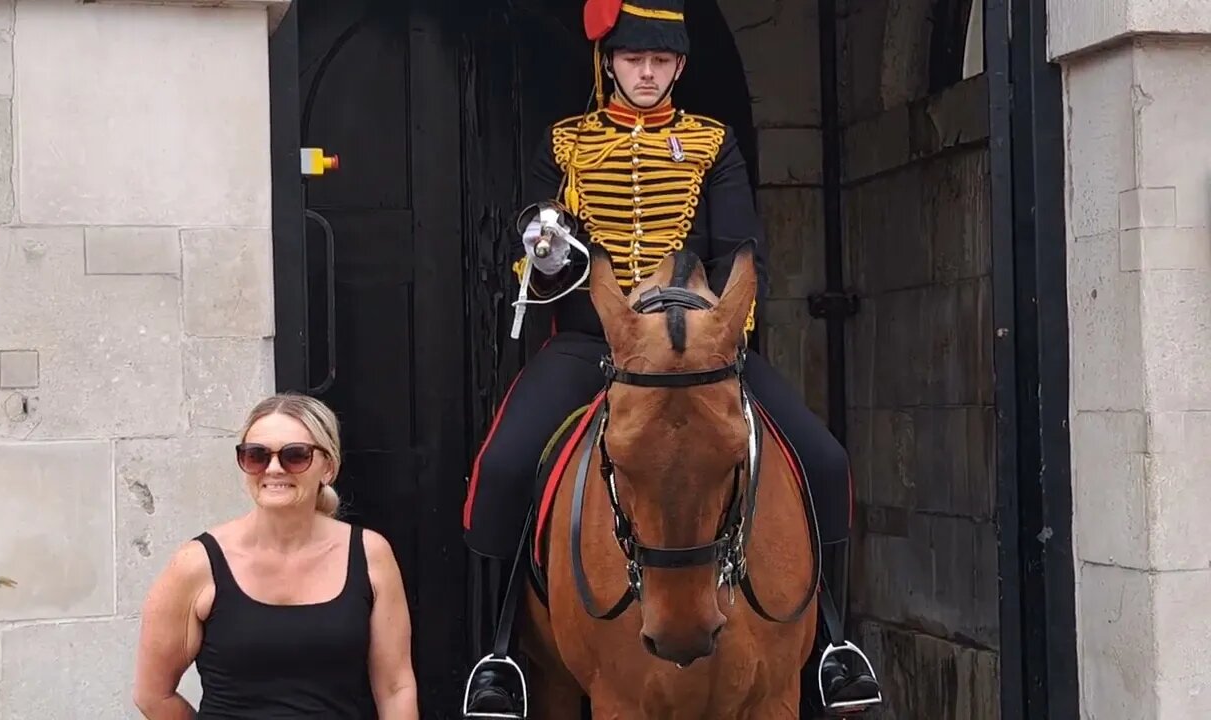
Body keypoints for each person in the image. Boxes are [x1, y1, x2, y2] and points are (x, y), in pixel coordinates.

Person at [460, 0, 881, 717]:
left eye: (660, 61)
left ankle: (834, 643)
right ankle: (498, 654)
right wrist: (546, 250)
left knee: (827, 461)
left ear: (680, 66)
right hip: (595, 343)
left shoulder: (712, 144)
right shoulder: (567, 145)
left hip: (701, 347)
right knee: (500, 471)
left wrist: (717, 330)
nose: (647, 73)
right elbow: (540, 249)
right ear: (610, 63)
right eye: (634, 60)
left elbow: (739, 250)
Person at [133, 393, 418, 719]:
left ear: (328, 467)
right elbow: (152, 694)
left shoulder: (370, 554)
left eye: (295, 456)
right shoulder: (196, 564)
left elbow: (395, 688)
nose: (274, 469)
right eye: (256, 455)